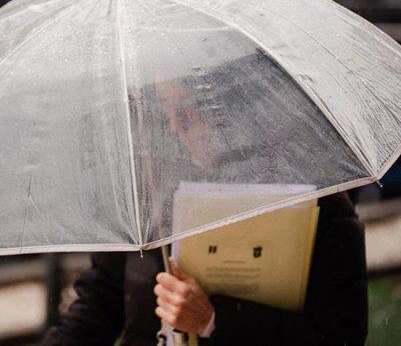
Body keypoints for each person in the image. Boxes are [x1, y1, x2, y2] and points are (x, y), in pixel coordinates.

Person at [43, 68, 369, 345]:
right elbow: (101, 302)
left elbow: (340, 336)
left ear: (231, 108)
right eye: (166, 110)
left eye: (186, 110)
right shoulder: (152, 191)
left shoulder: (315, 201)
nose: (174, 126)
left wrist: (213, 319)